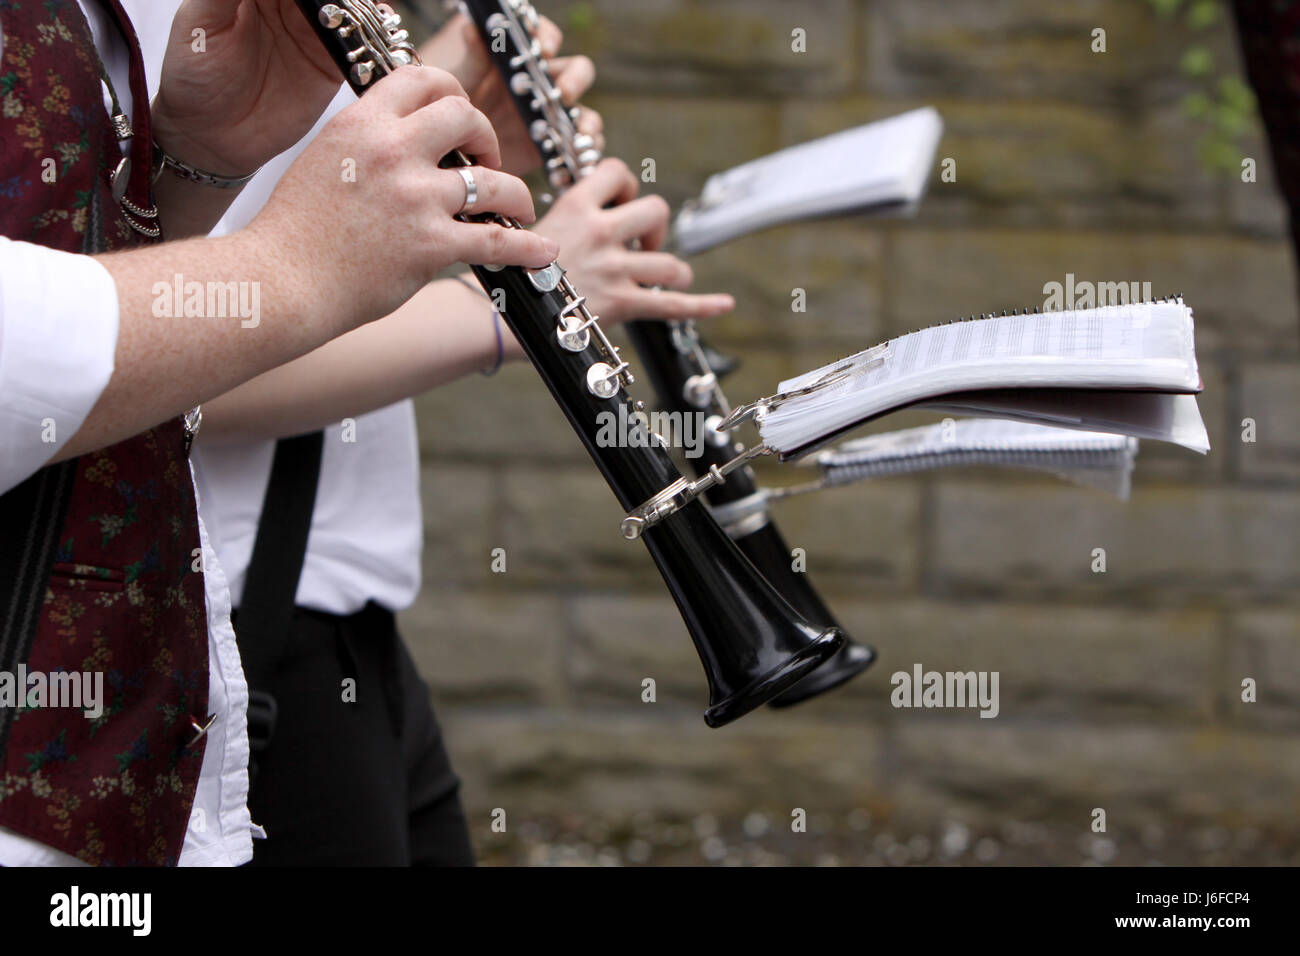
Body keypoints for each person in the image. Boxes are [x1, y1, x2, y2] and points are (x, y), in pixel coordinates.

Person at [171, 8, 734, 864]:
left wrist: (440, 88)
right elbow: (187, 360)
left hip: (347, 619)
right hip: (243, 626)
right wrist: (504, 309)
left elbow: (289, 220)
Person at [0, 0, 551, 865]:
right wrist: (478, 316)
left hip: (190, 660)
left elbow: (94, 274)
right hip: (227, 616)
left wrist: (194, 164)